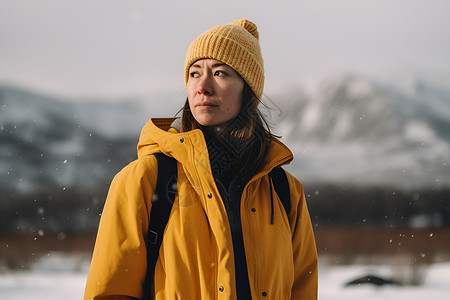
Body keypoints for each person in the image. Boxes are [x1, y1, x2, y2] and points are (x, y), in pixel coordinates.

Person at [84, 19, 318, 300]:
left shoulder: (284, 190)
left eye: (220, 73)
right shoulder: (146, 178)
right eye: (194, 73)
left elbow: (302, 291)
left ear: (248, 89)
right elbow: (111, 292)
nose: (203, 86)